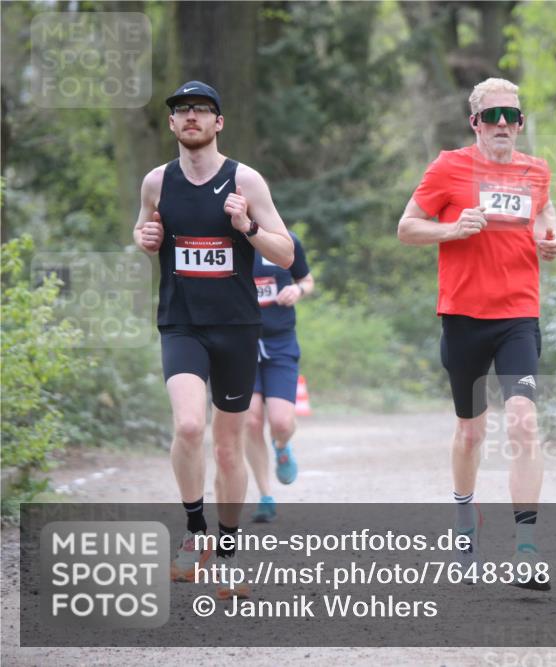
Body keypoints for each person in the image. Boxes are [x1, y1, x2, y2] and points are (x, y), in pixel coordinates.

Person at [397, 77, 556, 590]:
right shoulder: (448, 167)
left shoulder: (536, 171)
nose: (502, 124)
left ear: (520, 123)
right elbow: (407, 226)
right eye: (492, 116)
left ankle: (527, 547)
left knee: (524, 423)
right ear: (475, 123)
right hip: (464, 316)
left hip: (518, 316)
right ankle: (465, 517)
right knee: (471, 432)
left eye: (511, 116)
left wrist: (551, 235)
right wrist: (451, 229)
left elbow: (545, 211)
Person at [133, 80, 293, 599]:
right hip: (181, 322)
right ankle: (194, 532)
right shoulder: (157, 182)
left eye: (201, 109)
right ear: (172, 123)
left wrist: (247, 226)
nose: (191, 116)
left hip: (237, 327)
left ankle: (227, 553)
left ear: (218, 122)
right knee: (187, 425)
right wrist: (145, 238)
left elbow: (286, 252)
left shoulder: (245, 180)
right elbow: (143, 230)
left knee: (227, 447)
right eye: (182, 110)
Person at [245, 231, 314, 522]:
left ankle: (282, 446)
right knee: (251, 421)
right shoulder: (227, 244)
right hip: (240, 344)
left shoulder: (286, 241)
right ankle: (265, 497)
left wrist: (298, 291)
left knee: (282, 423)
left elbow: (307, 280)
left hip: (280, 343)